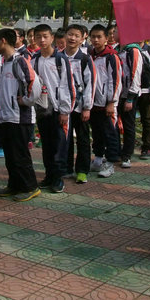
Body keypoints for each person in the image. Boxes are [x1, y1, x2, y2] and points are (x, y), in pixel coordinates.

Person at [0, 28, 41, 202]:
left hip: (19, 117)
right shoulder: (4, 62)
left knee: (20, 155)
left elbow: (34, 84)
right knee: (11, 155)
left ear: (3, 41)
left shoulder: (19, 61)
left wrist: (26, 101)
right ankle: (14, 185)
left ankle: (30, 187)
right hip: (6, 116)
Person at [31, 24, 74, 193]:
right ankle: (49, 175)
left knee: (59, 145)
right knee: (47, 145)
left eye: (45, 36)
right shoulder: (34, 59)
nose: (42, 40)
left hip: (57, 110)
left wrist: (64, 110)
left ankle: (58, 178)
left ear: (52, 38)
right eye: (38, 37)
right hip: (42, 109)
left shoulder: (60, 59)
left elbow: (66, 85)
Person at [62, 24, 96, 184]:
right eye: (70, 34)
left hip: (80, 106)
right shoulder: (58, 57)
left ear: (83, 38)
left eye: (76, 35)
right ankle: (66, 168)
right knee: (65, 138)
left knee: (82, 139)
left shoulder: (85, 59)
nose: (72, 38)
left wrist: (87, 107)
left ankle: (82, 170)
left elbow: (90, 84)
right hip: (63, 107)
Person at [88, 25, 122, 178]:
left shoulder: (111, 57)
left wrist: (111, 102)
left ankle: (110, 162)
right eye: (93, 37)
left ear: (106, 38)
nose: (96, 40)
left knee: (110, 133)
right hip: (93, 102)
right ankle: (98, 158)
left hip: (107, 103)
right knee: (97, 132)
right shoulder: (90, 55)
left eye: (99, 37)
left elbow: (115, 81)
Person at [114, 26, 145, 170]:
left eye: (115, 31)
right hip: (117, 95)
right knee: (115, 124)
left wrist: (130, 98)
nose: (113, 34)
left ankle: (127, 155)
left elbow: (135, 74)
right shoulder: (117, 50)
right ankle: (116, 152)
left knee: (128, 125)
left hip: (128, 95)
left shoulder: (133, 51)